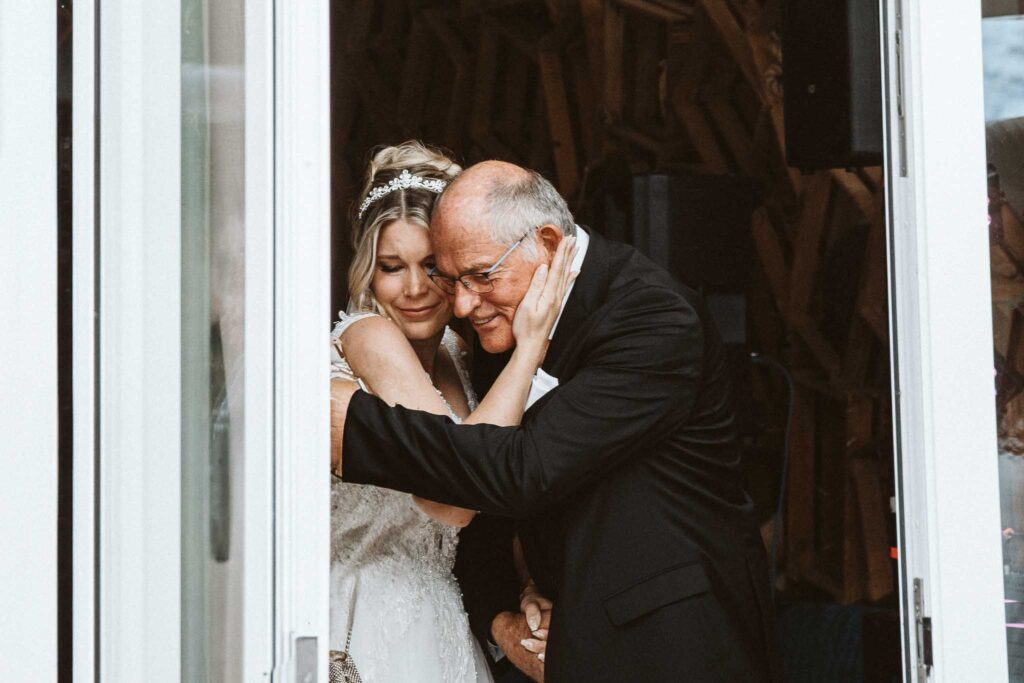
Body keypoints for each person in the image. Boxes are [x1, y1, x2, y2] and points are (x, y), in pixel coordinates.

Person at [331, 160, 780, 682]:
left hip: (669, 649)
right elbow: (487, 521)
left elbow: (522, 469)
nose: (461, 302)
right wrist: (501, 616)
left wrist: (358, 428)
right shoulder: (503, 315)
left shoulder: (654, 318)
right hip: (550, 644)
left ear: (546, 243)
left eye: (479, 275)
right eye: (450, 279)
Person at [329, 142, 576, 683]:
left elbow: (509, 489)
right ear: (368, 272)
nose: (416, 289)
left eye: (433, 268)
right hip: (367, 621)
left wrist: (528, 585)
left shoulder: (461, 357)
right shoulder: (366, 336)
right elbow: (456, 495)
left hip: (443, 618)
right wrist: (530, 348)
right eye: (392, 267)